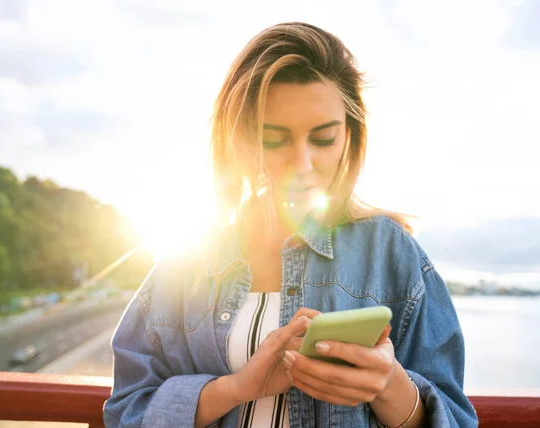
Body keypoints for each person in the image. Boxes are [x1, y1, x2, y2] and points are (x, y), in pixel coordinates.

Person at [103, 22, 478, 428]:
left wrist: (389, 386)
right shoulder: (188, 259)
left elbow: (455, 417)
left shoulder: (390, 253)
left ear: (349, 138)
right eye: (275, 139)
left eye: (322, 139)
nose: (302, 165)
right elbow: (126, 408)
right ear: (242, 139)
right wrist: (238, 386)